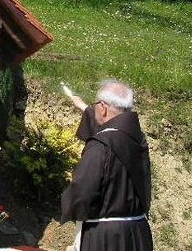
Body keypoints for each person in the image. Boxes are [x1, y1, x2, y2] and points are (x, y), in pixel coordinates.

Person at [60, 79, 153, 251]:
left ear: (102, 107)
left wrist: (69, 202)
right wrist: (85, 108)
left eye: (95, 105)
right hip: (138, 235)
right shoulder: (137, 139)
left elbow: (82, 194)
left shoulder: (100, 146)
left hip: (106, 239)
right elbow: (113, 130)